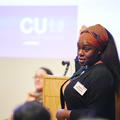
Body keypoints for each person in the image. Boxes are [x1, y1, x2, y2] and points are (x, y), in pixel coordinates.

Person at [56, 24, 120, 120]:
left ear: (99, 50)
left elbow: (98, 115)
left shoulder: (101, 74)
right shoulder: (86, 67)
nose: (80, 53)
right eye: (78, 48)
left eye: (86, 49)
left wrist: (67, 114)